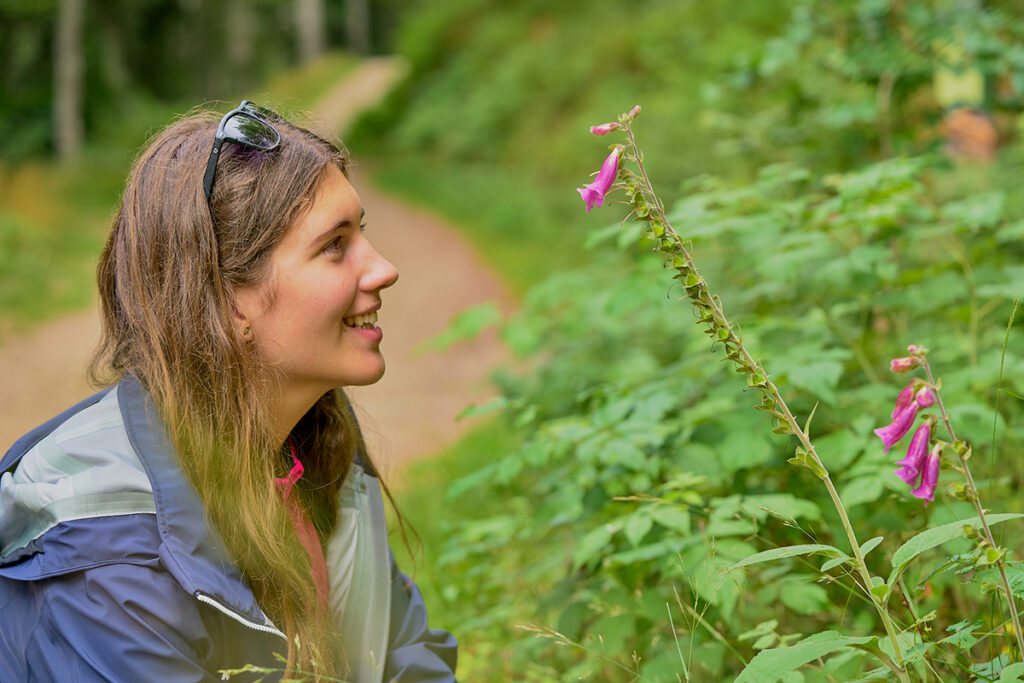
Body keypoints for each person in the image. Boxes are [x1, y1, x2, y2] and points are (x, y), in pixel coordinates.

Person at [0, 102, 457, 682]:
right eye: (334, 245)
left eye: (360, 232)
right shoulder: (110, 559)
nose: (383, 268)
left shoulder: (315, 447)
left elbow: (403, 655)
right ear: (226, 299)